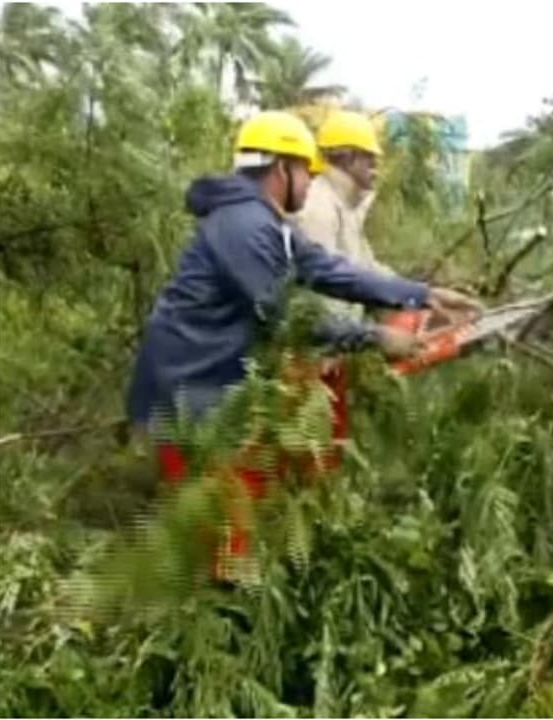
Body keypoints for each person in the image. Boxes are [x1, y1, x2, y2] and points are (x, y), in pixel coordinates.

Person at [125, 110, 480, 583]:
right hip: (189, 388)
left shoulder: (266, 223)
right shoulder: (245, 226)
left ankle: (222, 598)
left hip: (210, 382)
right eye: (306, 172)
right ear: (280, 170)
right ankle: (205, 618)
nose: (311, 184)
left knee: (232, 508)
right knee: (218, 523)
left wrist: (421, 294)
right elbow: (286, 313)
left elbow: (330, 271)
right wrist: (376, 337)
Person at [291, 109, 397, 469]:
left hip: (331, 354)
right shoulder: (318, 209)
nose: (375, 166)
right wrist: (371, 336)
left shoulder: (344, 208)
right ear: (347, 156)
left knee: (326, 457)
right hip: (310, 359)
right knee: (308, 461)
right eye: (369, 157)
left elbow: (367, 270)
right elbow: (318, 293)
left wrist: (423, 296)